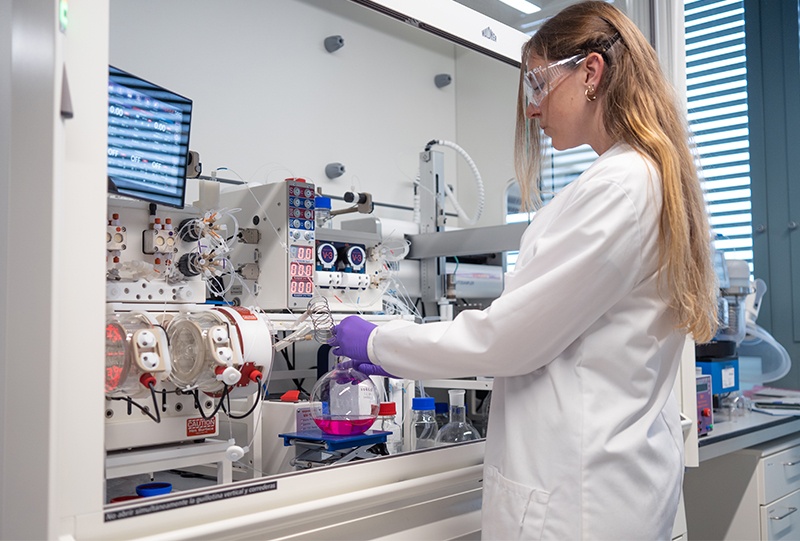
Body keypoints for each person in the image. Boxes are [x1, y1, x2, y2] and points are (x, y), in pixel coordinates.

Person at [328, 1, 718, 539]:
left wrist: (378, 344)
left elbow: (507, 340)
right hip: (617, 483)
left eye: (536, 85)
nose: (531, 110)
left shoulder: (620, 186)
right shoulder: (644, 178)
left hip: (579, 502)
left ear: (590, 72)